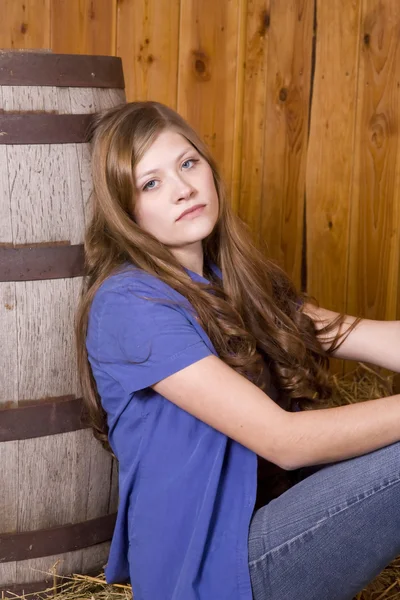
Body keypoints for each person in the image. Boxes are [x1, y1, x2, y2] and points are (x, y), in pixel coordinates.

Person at [75, 101, 400, 600]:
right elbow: (283, 440)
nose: (183, 188)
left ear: (209, 168)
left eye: (187, 163)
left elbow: (351, 333)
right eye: (150, 183)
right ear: (126, 209)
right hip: (213, 569)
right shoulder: (129, 303)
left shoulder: (231, 278)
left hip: (272, 512)